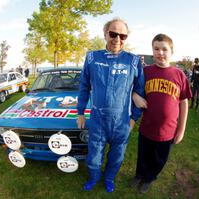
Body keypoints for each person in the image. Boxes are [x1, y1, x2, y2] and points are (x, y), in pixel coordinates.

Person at [77, 18, 145, 193]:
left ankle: (109, 178)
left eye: (123, 36)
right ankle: (94, 177)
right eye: (113, 34)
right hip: (98, 119)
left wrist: (133, 119)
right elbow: (84, 86)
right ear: (105, 33)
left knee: (117, 157)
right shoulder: (92, 57)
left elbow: (140, 91)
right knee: (93, 158)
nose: (117, 39)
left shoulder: (133, 61)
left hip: (121, 121)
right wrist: (80, 112)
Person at [130, 34, 192, 194]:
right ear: (152, 51)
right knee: (143, 154)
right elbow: (131, 88)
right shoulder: (146, 71)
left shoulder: (179, 75)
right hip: (147, 127)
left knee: (159, 159)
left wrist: (181, 129)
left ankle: (149, 178)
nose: (160, 53)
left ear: (171, 51)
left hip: (168, 131)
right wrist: (134, 95)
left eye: (164, 49)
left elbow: (184, 102)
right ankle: (139, 174)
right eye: (156, 49)